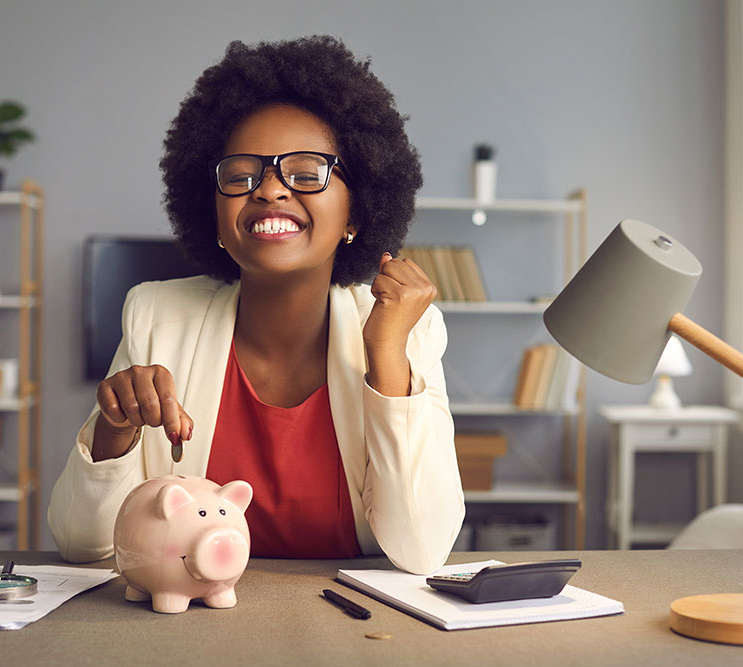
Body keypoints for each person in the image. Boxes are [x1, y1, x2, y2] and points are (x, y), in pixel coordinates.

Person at [48, 35, 465, 575]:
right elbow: (85, 545)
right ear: (216, 216)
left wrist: (386, 352)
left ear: (356, 214)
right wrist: (115, 430)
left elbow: (422, 550)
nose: (269, 190)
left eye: (307, 172)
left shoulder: (409, 330)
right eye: (242, 175)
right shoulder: (156, 315)